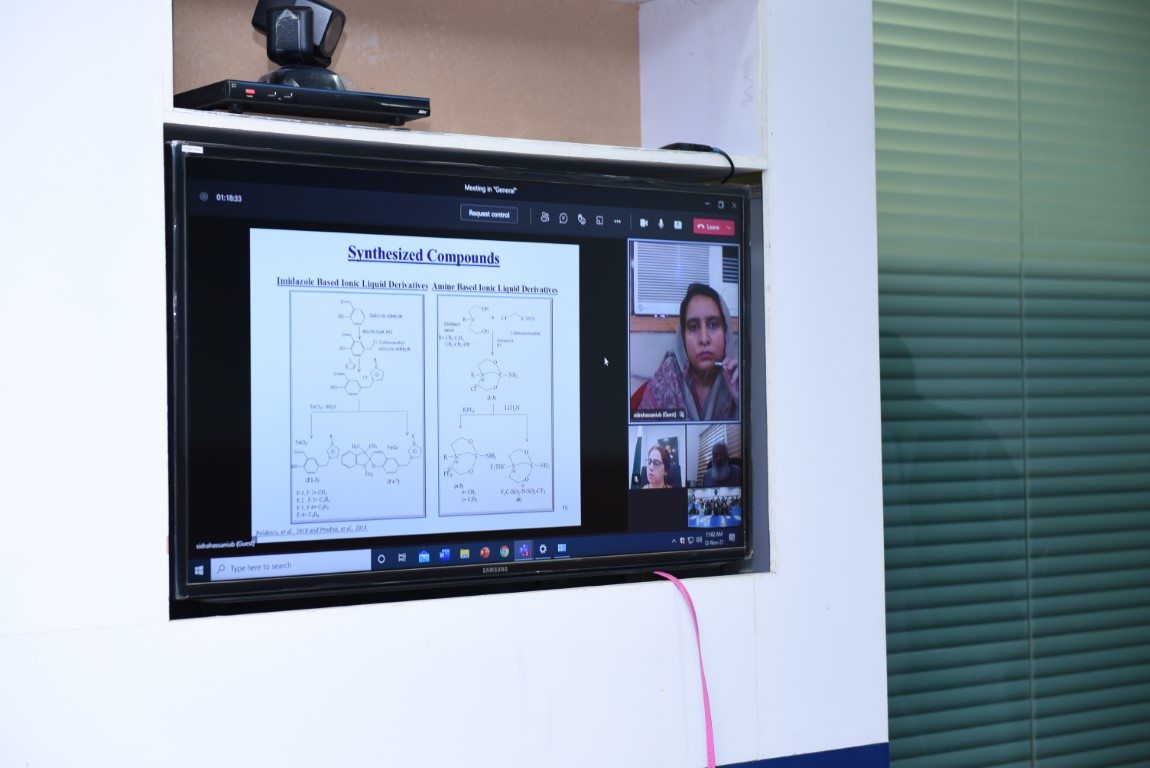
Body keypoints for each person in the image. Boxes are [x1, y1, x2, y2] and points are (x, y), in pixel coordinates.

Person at [636, 283, 739, 421]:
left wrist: (741, 399)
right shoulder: (666, 381)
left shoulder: (740, 377)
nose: (704, 339)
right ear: (683, 338)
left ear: (726, 332)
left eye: (713, 325)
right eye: (693, 327)